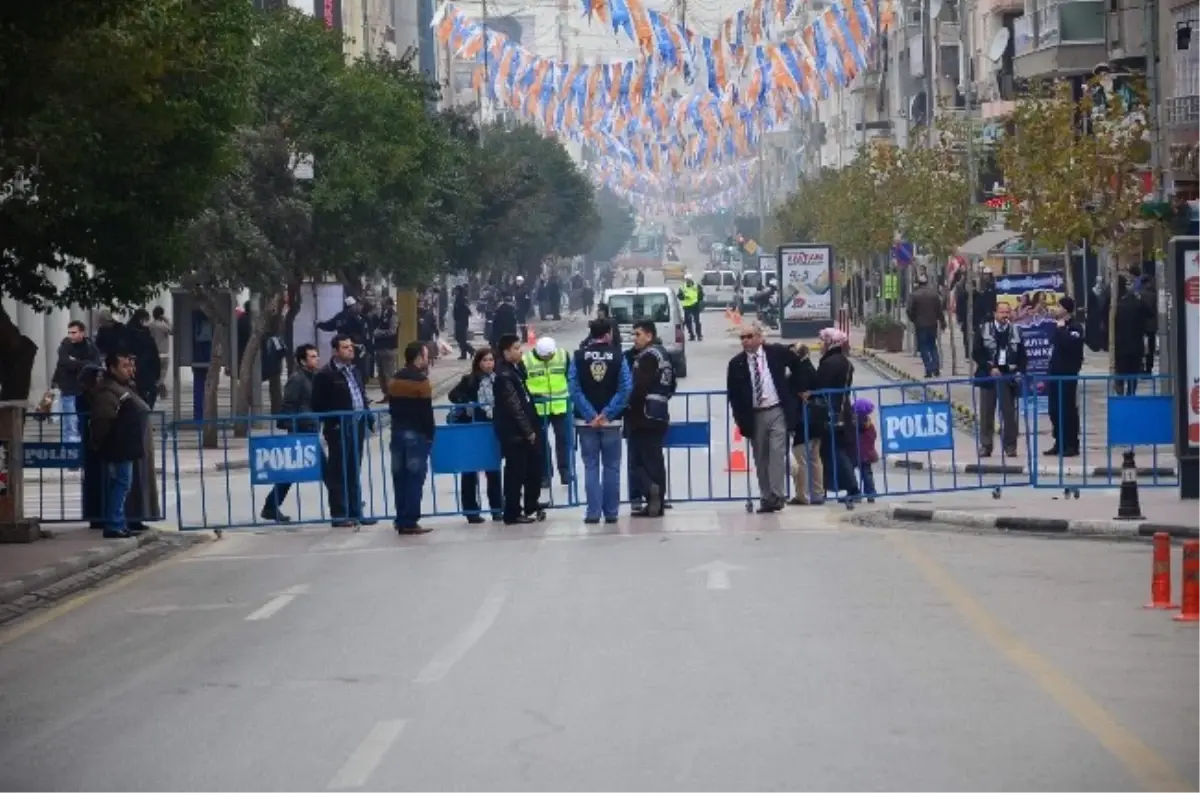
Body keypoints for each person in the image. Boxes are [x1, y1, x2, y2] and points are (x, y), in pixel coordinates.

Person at [726, 322, 797, 513]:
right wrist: (740, 420)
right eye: (743, 337)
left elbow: (799, 363)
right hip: (754, 415)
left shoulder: (775, 353)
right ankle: (766, 497)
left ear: (760, 337)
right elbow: (733, 395)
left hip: (776, 410)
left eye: (750, 336)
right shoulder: (736, 364)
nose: (746, 341)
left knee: (777, 452)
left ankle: (777, 494)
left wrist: (798, 390)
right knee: (761, 458)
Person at [568, 319, 632, 524]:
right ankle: (611, 513)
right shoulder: (618, 356)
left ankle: (593, 513)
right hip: (611, 423)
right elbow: (625, 388)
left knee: (591, 466)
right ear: (608, 334)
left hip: (585, 422)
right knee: (612, 466)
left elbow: (573, 388)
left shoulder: (578, 357)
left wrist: (590, 415)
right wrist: (606, 414)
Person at [310, 334, 377, 527]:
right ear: (335, 351)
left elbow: (361, 395)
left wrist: (367, 415)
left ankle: (356, 511)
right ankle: (339, 514)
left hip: (357, 424)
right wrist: (333, 421)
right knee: (339, 471)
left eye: (351, 346)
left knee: (354, 469)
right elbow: (317, 404)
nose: (350, 350)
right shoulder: (326, 374)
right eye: (345, 347)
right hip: (338, 427)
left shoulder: (355, 371)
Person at [88, 352, 155, 539]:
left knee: (122, 484)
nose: (130, 370)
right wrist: (101, 443)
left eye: (131, 366)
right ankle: (114, 524)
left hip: (126, 446)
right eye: (125, 366)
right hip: (117, 446)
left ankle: (119, 522)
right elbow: (103, 421)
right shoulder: (109, 391)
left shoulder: (125, 387)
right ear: (112, 368)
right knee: (120, 484)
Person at [261, 344, 321, 522]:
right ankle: (345, 508)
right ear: (303, 360)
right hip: (300, 431)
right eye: (312, 356)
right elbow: (288, 405)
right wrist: (293, 425)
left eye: (316, 356)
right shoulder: (297, 379)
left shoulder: (313, 377)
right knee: (294, 473)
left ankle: (271, 506)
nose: (316, 359)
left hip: (310, 429)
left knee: (292, 474)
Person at [492, 334, 545, 524]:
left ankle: (531, 504)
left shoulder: (515, 370)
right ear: (506, 352)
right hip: (514, 432)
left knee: (532, 468)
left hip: (524, 430)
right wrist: (528, 431)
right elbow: (514, 406)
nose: (520, 351)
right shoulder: (504, 375)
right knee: (515, 473)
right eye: (516, 348)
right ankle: (512, 512)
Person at [448, 348, 504, 523]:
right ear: (478, 362)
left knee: (493, 470)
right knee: (470, 471)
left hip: (491, 428)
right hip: (472, 429)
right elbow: (453, 395)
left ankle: (496, 508)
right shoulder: (470, 380)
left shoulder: (499, 380)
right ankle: (471, 511)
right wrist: (468, 404)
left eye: (491, 360)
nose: (488, 364)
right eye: (485, 360)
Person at [386, 341, 435, 535]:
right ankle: (410, 520)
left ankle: (400, 518)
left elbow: (392, 407)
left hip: (397, 432)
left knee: (400, 478)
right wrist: (430, 434)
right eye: (425, 355)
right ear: (418, 357)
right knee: (415, 478)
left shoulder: (395, 380)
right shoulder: (421, 382)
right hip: (416, 434)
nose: (427, 358)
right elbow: (426, 412)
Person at [626, 320, 674, 517]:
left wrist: (630, 408)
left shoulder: (646, 357)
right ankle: (658, 502)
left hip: (643, 415)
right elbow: (672, 386)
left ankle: (651, 489)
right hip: (660, 413)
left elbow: (639, 387)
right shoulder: (664, 355)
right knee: (655, 459)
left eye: (637, 334)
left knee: (638, 461)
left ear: (649, 335)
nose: (634, 339)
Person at [971, 301, 1027, 458]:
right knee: (987, 412)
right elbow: (977, 352)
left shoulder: (1016, 330)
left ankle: (1010, 446)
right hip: (989, 376)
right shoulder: (984, 329)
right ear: (995, 313)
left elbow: (1023, 355)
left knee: (1009, 413)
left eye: (1007, 312)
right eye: (1002, 312)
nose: (1005, 316)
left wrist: (1020, 372)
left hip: (1008, 376)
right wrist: (990, 367)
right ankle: (986, 445)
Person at [814, 327, 860, 501]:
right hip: (841, 410)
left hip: (832, 412)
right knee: (834, 451)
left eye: (822, 341)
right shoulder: (843, 361)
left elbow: (820, 387)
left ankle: (851, 488)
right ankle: (833, 488)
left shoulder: (830, 363)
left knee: (835, 451)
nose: (820, 345)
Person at [522, 336, 572, 488]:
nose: (548, 358)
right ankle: (545, 475)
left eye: (550, 356)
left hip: (560, 406)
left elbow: (570, 376)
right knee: (542, 443)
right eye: (544, 356)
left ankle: (565, 472)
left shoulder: (563, 356)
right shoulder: (526, 361)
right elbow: (522, 383)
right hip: (539, 408)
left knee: (563, 440)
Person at [1045, 296, 1084, 457]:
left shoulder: (1075, 327)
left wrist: (1061, 330)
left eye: (1058, 306)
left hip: (1067, 374)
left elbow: (1071, 344)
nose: (1055, 308)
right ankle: (1059, 442)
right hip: (1054, 373)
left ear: (1066, 310)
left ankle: (1071, 444)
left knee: (1068, 410)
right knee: (1054, 410)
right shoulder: (1056, 327)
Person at [51, 320, 101, 444]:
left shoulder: (90, 346)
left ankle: (82, 450)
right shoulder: (65, 346)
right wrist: (82, 363)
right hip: (68, 388)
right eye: (69, 333)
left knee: (82, 422)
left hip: (85, 390)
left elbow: (95, 364)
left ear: (82, 333)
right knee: (69, 422)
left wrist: (76, 362)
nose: (71, 335)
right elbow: (64, 363)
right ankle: (70, 450)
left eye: (74, 332)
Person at [787, 344, 825, 506]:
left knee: (800, 459)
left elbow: (795, 393)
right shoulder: (811, 368)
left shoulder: (798, 372)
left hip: (803, 422)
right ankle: (817, 493)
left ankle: (802, 494)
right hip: (816, 420)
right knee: (815, 459)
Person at [318, 297, 370, 384]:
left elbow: (329, 326)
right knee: (358, 370)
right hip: (356, 348)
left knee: (344, 368)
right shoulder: (357, 317)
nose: (356, 307)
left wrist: (319, 324)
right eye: (354, 305)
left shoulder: (339, 316)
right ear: (351, 306)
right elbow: (363, 332)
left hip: (342, 348)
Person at [906, 274, 945, 378]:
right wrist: (943, 322)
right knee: (932, 345)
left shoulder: (914, 295)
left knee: (923, 347)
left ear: (918, 284)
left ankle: (928, 369)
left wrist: (914, 319)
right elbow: (939, 311)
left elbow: (909, 310)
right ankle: (936, 368)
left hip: (920, 325)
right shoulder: (934, 294)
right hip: (932, 324)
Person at [126, 309, 162, 408]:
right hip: (142, 367)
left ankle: (144, 408)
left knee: (142, 391)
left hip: (140, 368)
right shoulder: (141, 334)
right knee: (147, 390)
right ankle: (145, 408)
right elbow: (153, 353)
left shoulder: (131, 332)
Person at [849, 398, 879, 502]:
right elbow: (873, 436)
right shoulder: (868, 423)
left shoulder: (854, 421)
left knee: (850, 473)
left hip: (855, 452)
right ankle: (870, 493)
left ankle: (855, 494)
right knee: (866, 474)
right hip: (866, 453)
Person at [373, 296, 399, 384]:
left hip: (388, 348)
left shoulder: (393, 315)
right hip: (379, 347)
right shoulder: (382, 314)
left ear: (389, 305)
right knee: (381, 375)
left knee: (389, 373)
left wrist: (379, 333)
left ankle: (391, 395)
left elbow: (392, 331)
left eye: (383, 305)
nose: (382, 306)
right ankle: (385, 394)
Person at [149, 307, 172, 394]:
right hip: (163, 355)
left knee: (155, 374)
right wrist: (167, 321)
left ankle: (156, 389)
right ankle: (158, 388)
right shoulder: (163, 326)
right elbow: (173, 331)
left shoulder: (150, 326)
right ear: (161, 315)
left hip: (153, 354)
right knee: (162, 375)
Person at [677, 273, 704, 341]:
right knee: (687, 321)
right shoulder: (682, 287)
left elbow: (701, 295)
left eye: (688, 279)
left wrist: (699, 302)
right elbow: (679, 296)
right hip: (687, 307)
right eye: (686, 279)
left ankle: (699, 335)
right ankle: (692, 335)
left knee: (697, 321)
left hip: (695, 306)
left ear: (691, 279)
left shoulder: (696, 286)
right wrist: (683, 297)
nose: (687, 281)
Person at [452, 286, 474, 359]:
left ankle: (467, 352)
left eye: (456, 290)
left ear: (459, 291)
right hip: (458, 321)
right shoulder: (458, 299)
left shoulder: (462, 299)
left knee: (461, 338)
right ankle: (468, 351)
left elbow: (466, 310)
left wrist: (461, 319)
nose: (454, 292)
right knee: (459, 338)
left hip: (461, 322)